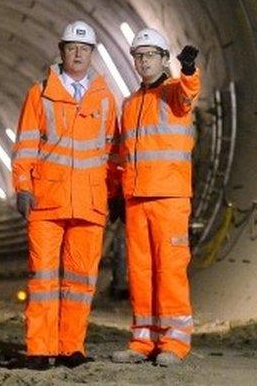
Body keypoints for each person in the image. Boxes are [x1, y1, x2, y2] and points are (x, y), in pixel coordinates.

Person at [11, 20, 121, 370]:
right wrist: (22, 187)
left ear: (92, 54)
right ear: (61, 51)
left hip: (89, 203)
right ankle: (39, 349)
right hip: (47, 201)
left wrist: (114, 193)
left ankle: (71, 347)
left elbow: (112, 151)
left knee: (80, 281)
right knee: (42, 280)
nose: (78, 54)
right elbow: (25, 144)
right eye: (72, 47)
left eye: (84, 48)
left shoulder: (104, 98)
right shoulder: (39, 92)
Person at [110, 28, 200, 367]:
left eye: (151, 55)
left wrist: (189, 70)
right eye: (139, 55)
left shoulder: (175, 92)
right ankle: (143, 338)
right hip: (137, 199)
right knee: (141, 271)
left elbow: (191, 90)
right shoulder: (130, 104)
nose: (144, 61)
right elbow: (122, 154)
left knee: (170, 269)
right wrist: (117, 192)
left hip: (169, 197)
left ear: (164, 59)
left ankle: (175, 342)